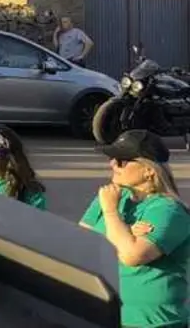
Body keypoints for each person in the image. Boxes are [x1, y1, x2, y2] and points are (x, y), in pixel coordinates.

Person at [80, 129, 190, 328]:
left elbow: (132, 256)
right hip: (104, 315)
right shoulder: (109, 196)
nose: (113, 164)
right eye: (112, 159)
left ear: (149, 170)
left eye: (122, 161)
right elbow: (80, 244)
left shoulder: (168, 210)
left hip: (153, 323)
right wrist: (127, 233)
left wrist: (111, 214)